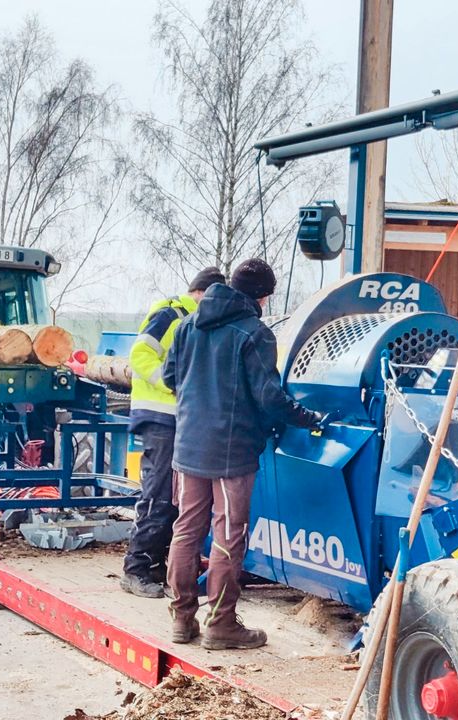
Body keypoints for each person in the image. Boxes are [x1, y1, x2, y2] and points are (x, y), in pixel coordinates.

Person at [163, 258, 324, 649]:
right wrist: (308, 418)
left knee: (185, 530)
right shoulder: (254, 333)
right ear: (262, 297)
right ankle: (220, 625)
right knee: (228, 534)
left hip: (187, 446)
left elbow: (170, 377)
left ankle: (182, 621)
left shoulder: (187, 326)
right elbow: (269, 398)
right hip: (232, 453)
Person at [120, 266, 225, 599]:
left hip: (179, 419)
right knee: (160, 494)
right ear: (204, 293)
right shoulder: (172, 315)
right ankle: (136, 570)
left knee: (178, 499)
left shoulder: (196, 321)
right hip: (160, 415)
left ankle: (160, 566)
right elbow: (140, 354)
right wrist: (170, 384)